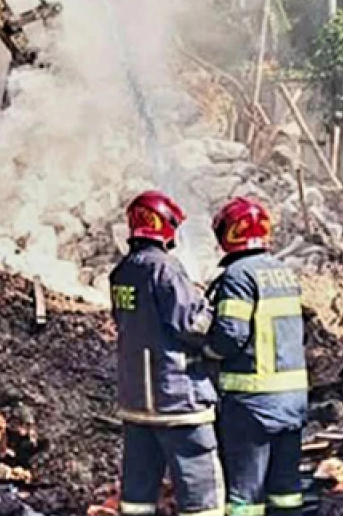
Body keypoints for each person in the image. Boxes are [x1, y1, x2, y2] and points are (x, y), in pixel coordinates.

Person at [108, 190, 224, 516]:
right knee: (199, 487)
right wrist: (214, 317)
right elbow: (193, 324)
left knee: (138, 492)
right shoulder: (166, 270)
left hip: (136, 402)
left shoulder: (122, 272)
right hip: (177, 398)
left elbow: (123, 321)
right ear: (167, 227)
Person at [203, 197, 307, 516]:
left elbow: (230, 334)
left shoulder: (238, 276)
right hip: (292, 401)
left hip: (252, 404)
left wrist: (206, 351)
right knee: (286, 491)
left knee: (246, 496)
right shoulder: (283, 273)